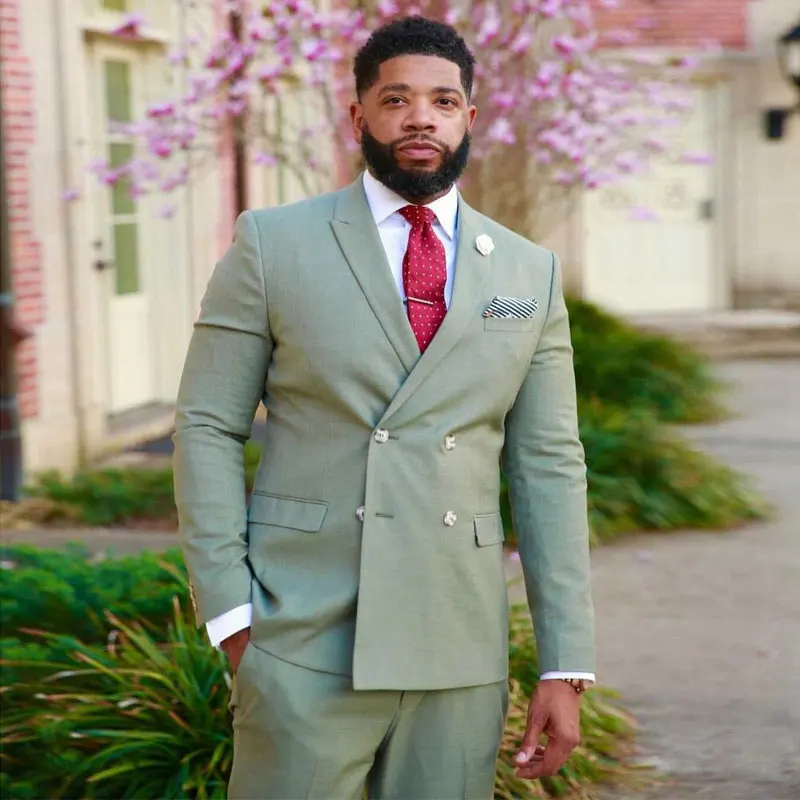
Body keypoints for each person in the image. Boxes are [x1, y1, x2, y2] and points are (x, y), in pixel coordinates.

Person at [173, 15, 596, 800]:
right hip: (303, 632)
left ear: (470, 117)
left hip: (457, 640)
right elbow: (207, 426)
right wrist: (231, 614)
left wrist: (564, 662)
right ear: (358, 116)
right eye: (396, 99)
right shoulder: (272, 244)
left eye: (442, 101)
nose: (420, 118)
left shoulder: (527, 272)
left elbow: (549, 465)